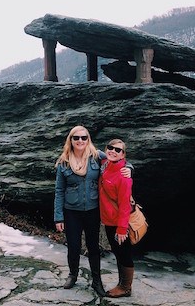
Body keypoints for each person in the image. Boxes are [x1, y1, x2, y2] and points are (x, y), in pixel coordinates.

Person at [54, 126, 132, 297]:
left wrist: (131, 168)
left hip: (92, 211)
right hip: (71, 211)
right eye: (76, 138)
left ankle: (97, 281)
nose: (80, 141)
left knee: (93, 247)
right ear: (71, 140)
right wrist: (58, 216)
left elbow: (118, 160)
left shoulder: (96, 156)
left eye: (84, 137)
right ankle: (73, 275)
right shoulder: (64, 162)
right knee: (73, 247)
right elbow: (59, 190)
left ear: (88, 139)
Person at [99, 138, 134, 298]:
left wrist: (122, 228)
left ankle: (126, 287)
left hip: (118, 222)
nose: (113, 151)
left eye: (118, 150)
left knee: (124, 253)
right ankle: (121, 284)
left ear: (123, 155)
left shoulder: (124, 175)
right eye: (110, 148)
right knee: (118, 252)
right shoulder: (105, 164)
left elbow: (125, 204)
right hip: (108, 220)